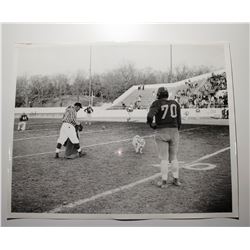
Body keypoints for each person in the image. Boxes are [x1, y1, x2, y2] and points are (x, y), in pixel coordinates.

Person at [147, 87, 182, 188]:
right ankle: (176, 180)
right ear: (167, 95)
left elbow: (150, 116)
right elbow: (179, 121)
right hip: (174, 131)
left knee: (164, 159)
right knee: (174, 158)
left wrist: (151, 125)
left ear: (158, 95)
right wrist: (176, 130)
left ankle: (164, 182)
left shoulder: (157, 103)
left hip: (162, 131)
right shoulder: (175, 103)